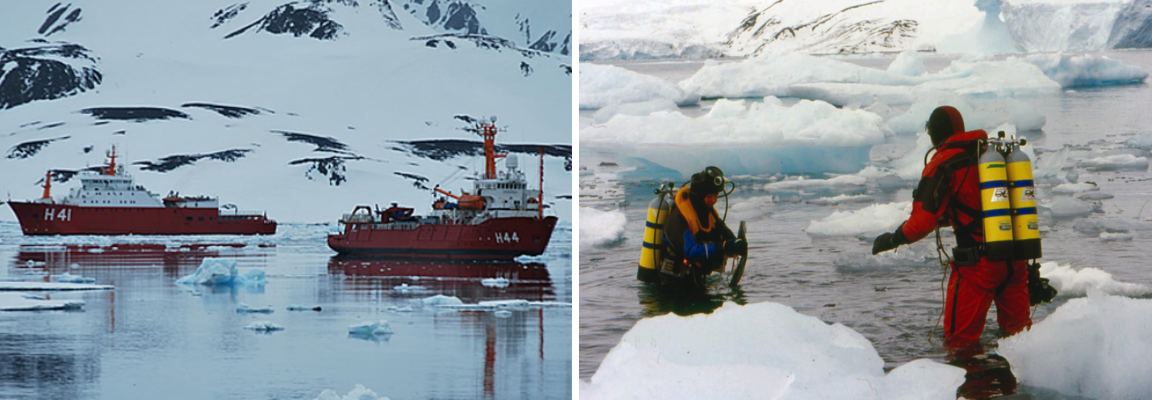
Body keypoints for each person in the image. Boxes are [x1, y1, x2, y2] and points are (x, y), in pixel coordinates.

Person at [871, 106, 1031, 358]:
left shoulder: (944, 163)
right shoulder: (989, 155)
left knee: (960, 346)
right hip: (1015, 258)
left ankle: (971, 393)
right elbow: (978, 206)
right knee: (1021, 339)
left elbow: (922, 221)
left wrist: (892, 239)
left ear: (934, 135)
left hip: (979, 267)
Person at [661, 166, 747, 284]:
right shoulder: (679, 217)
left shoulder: (708, 212)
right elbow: (691, 250)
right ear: (700, 195)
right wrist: (723, 247)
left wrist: (735, 244)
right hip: (671, 285)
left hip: (694, 278)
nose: (713, 200)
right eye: (709, 196)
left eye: (716, 195)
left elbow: (723, 233)